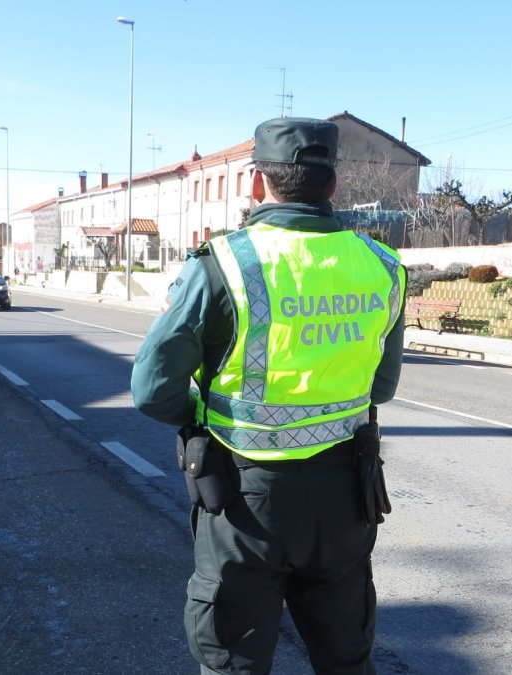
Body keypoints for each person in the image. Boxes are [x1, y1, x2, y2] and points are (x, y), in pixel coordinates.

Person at [131, 117, 406, 674]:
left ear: (257, 184)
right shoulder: (383, 267)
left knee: (234, 663)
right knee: (346, 661)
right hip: (346, 500)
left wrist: (201, 414)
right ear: (332, 186)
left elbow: (153, 389)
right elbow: (382, 386)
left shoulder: (224, 265)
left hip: (245, 501)